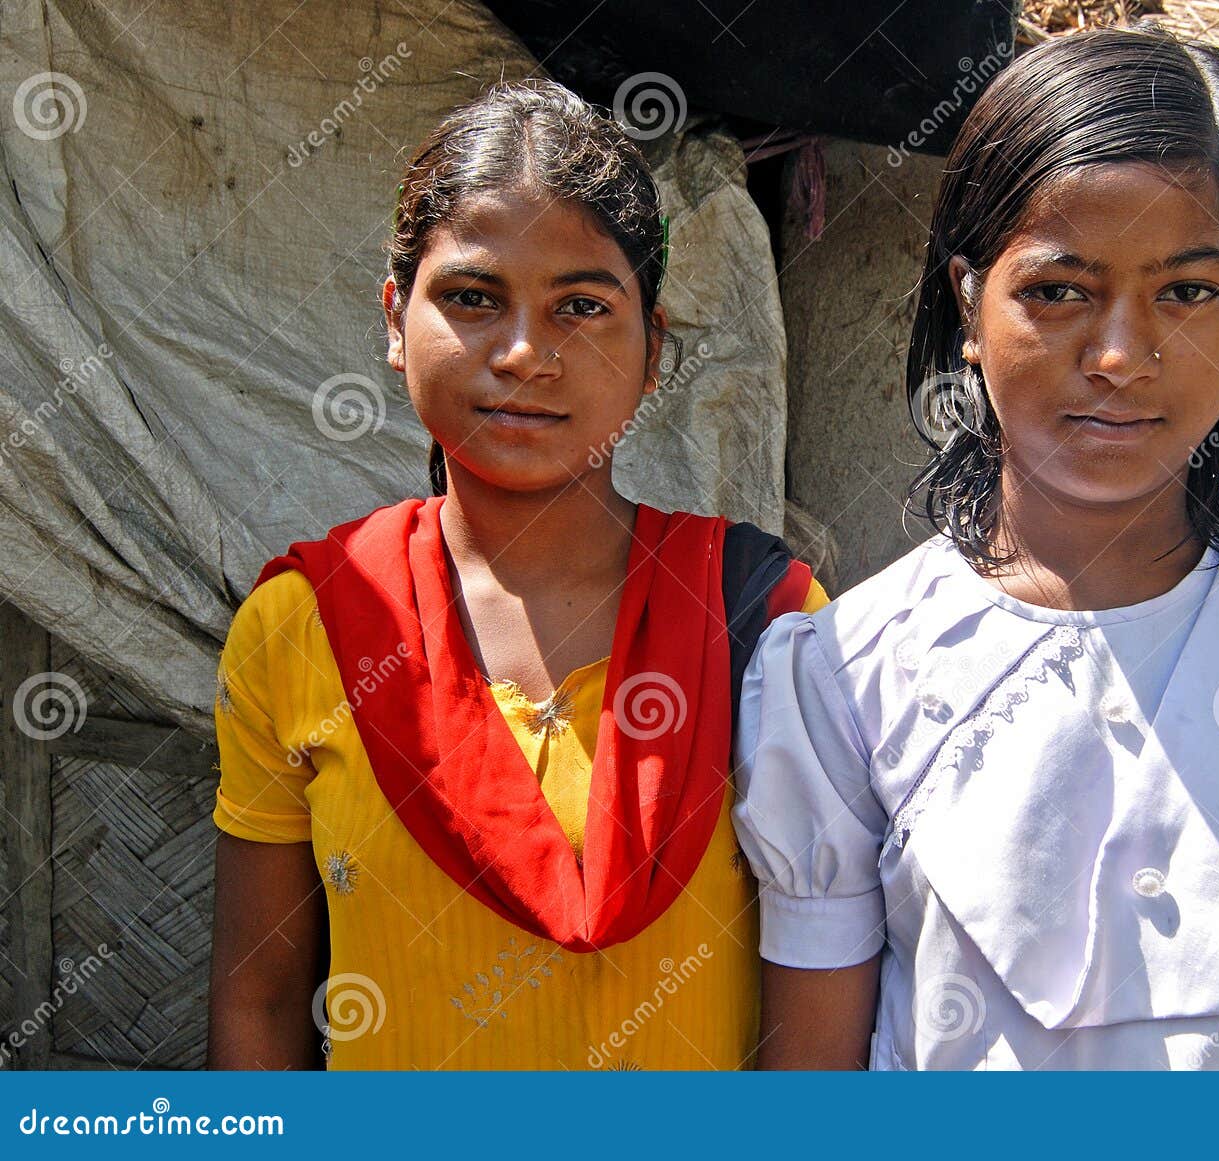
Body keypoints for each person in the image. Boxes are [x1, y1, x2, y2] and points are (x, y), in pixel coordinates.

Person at [732, 26, 1219, 1070]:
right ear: (968, 303)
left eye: (1187, 292)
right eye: (1059, 291)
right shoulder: (845, 676)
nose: (1120, 355)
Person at [207, 79, 823, 1070]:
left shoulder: (765, 620)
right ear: (394, 320)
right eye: (472, 298)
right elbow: (260, 998)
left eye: (581, 306)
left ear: (653, 349)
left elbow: (821, 1011)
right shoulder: (308, 624)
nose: (526, 352)